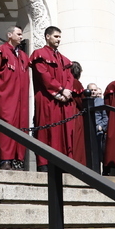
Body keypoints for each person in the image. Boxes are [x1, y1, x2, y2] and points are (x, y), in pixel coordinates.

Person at [30, 26, 76, 170]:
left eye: (59, 37)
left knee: (64, 131)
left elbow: (70, 77)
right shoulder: (39, 54)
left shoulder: (64, 59)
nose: (58, 39)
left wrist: (67, 91)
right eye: (56, 36)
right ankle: (45, 165)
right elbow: (44, 77)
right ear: (47, 37)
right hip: (47, 100)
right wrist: (59, 91)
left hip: (63, 100)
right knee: (47, 131)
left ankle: (63, 164)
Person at [0, 25, 30, 169]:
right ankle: (4, 160)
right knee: (5, 126)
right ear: (9, 35)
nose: (21, 36)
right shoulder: (1, 51)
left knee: (20, 126)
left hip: (21, 100)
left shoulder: (24, 56)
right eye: (18, 34)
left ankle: (17, 160)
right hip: (5, 98)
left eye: (21, 34)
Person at [85, 82, 108, 167]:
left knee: (98, 152)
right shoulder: (84, 101)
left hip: (98, 132)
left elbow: (105, 117)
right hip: (87, 131)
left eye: (95, 90)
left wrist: (101, 127)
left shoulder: (101, 102)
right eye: (91, 90)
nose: (93, 91)